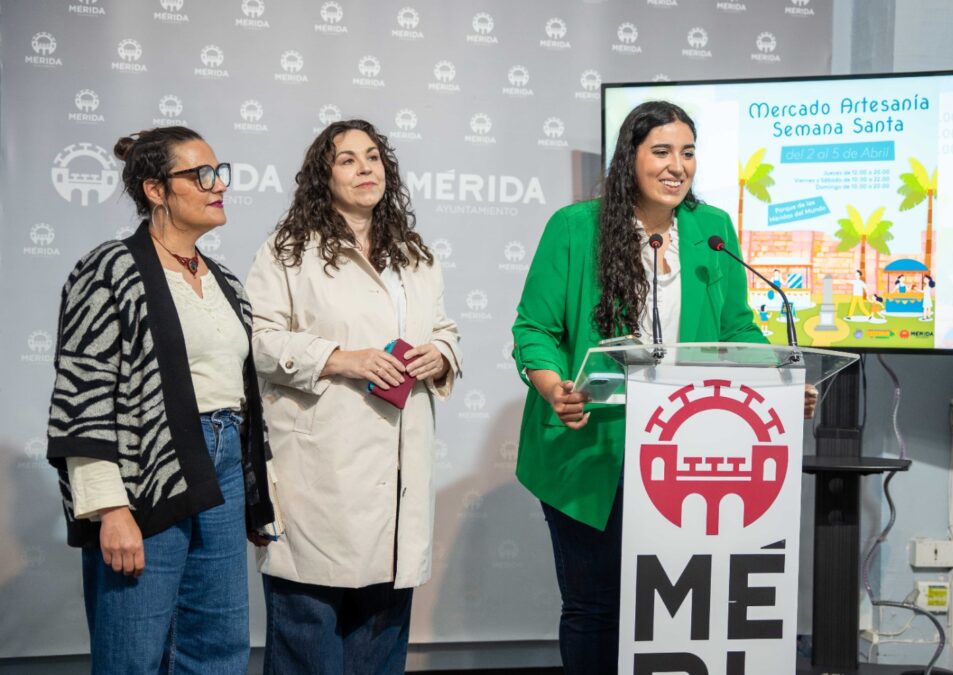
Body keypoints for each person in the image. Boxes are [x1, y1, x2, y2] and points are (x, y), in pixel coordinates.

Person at [511, 100, 815, 673]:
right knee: (595, 606)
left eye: (688, 152)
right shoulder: (575, 228)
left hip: (683, 451)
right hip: (590, 449)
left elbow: (735, 329)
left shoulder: (712, 230)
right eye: (662, 151)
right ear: (631, 159)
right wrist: (554, 387)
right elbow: (535, 329)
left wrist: (779, 381)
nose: (678, 165)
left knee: (675, 610)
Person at [45, 126, 276, 673]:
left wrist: (254, 490)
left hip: (220, 471)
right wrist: (110, 508)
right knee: (135, 646)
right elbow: (82, 394)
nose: (218, 185)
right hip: (147, 475)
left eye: (220, 173)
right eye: (201, 175)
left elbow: (240, 395)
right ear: (156, 190)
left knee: (219, 645)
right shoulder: (108, 270)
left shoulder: (224, 280)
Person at [245, 119, 462, 674]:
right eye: (347, 159)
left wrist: (439, 354)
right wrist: (341, 358)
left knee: (380, 646)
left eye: (373, 156)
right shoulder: (289, 251)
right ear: (323, 176)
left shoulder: (414, 253)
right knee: (308, 642)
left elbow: (443, 327)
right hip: (321, 476)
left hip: (398, 476)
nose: (366, 168)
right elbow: (259, 340)